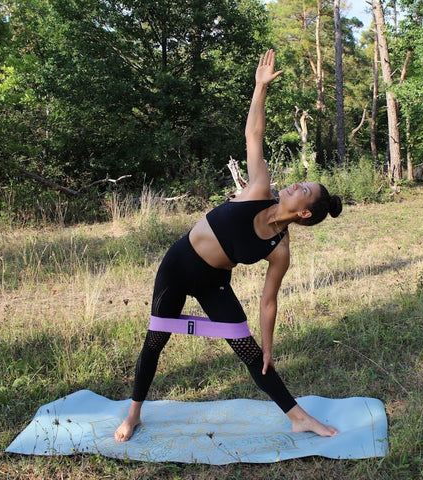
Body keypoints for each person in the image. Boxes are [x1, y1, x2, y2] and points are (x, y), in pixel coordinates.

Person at [115, 49, 342, 442]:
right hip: (178, 264)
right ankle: (133, 413)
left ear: (305, 213)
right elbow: (253, 135)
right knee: (156, 340)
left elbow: (268, 301)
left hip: (213, 282)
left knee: (253, 354)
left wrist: (269, 346)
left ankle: (298, 416)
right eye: (301, 182)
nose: (295, 185)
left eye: (303, 190)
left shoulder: (280, 248)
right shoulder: (258, 189)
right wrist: (259, 88)